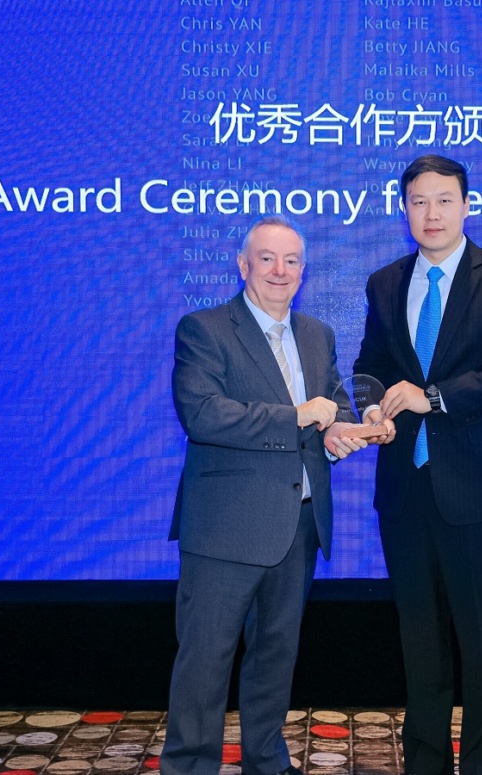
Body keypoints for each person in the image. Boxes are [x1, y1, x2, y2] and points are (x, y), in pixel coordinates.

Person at [161, 215, 390, 775]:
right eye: (266, 258)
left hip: (300, 523)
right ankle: (190, 766)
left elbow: (327, 416)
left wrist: (349, 433)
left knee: (275, 657)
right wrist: (297, 417)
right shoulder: (204, 328)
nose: (279, 271)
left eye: (290, 261)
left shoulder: (317, 335)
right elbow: (203, 414)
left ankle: (266, 760)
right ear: (243, 266)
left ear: (303, 271)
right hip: (225, 529)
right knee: (205, 663)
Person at [353, 155, 482, 775]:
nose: (429, 213)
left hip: (475, 491)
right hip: (404, 491)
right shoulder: (384, 282)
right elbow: (369, 367)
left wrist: (430, 398)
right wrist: (371, 410)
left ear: (466, 205)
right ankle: (425, 764)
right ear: (403, 210)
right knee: (420, 642)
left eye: (442, 200)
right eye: (417, 201)